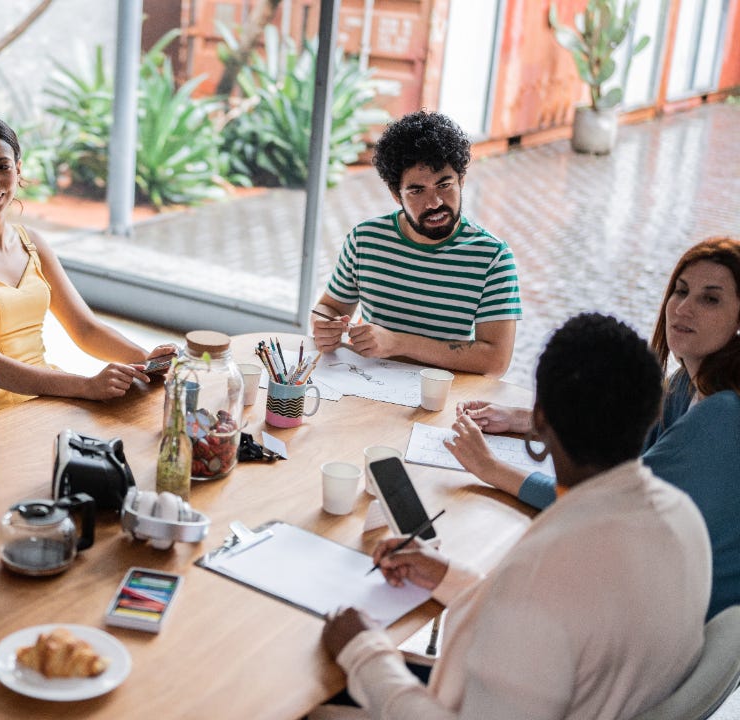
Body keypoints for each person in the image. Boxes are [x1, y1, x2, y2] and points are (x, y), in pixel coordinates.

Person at [316, 313, 711, 719]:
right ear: (651, 415)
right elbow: (560, 617)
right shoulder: (683, 517)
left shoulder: (542, 577)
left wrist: (363, 651)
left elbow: (536, 607)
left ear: (538, 419)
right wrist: (446, 575)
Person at [447, 236, 740, 620]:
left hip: (662, 616)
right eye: (680, 291)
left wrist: (489, 468)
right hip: (660, 588)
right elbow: (620, 441)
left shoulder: (721, 415)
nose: (683, 309)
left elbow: (601, 502)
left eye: (710, 299)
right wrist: (525, 418)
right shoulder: (690, 384)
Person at [0, 116, 176, 408]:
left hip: (44, 399)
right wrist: (87, 386)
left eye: (2, 167)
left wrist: (146, 362)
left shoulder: (33, 242)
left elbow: (85, 329)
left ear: (18, 169)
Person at [311, 111, 521, 376]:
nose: (434, 203)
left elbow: (496, 360)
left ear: (461, 181)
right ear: (396, 194)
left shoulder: (493, 257)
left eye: (444, 185)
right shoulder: (365, 239)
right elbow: (330, 306)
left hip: (440, 396)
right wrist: (322, 323)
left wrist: (398, 342)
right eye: (417, 191)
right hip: (367, 384)